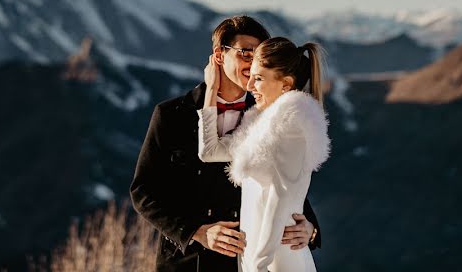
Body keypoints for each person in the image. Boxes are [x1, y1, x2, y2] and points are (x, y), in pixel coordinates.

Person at [130, 16, 321, 271]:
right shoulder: (172, 114)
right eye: (245, 53)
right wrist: (195, 232)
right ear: (219, 55)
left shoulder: (268, 115)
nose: (253, 63)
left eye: (259, 56)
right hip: (187, 263)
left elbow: (285, 182)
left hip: (244, 262)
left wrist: (309, 228)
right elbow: (144, 191)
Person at [198, 37, 330, 272]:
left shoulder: (292, 125)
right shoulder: (258, 123)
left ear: (286, 84)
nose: (249, 86)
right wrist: (211, 88)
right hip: (255, 254)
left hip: (278, 259)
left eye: (258, 79)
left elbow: (279, 200)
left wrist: (261, 261)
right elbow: (209, 152)